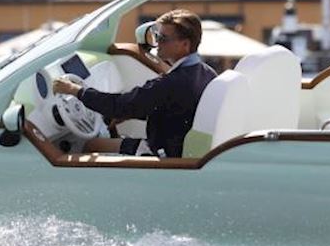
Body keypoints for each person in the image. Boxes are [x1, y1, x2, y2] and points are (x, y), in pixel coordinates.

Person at [51, 9, 216, 158]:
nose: (157, 43)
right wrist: (129, 113)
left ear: (185, 45)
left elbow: (121, 104)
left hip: (161, 154)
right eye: (156, 36)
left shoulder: (171, 83)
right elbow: (174, 108)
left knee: (90, 146)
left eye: (163, 38)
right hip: (176, 148)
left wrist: (75, 91)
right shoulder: (206, 73)